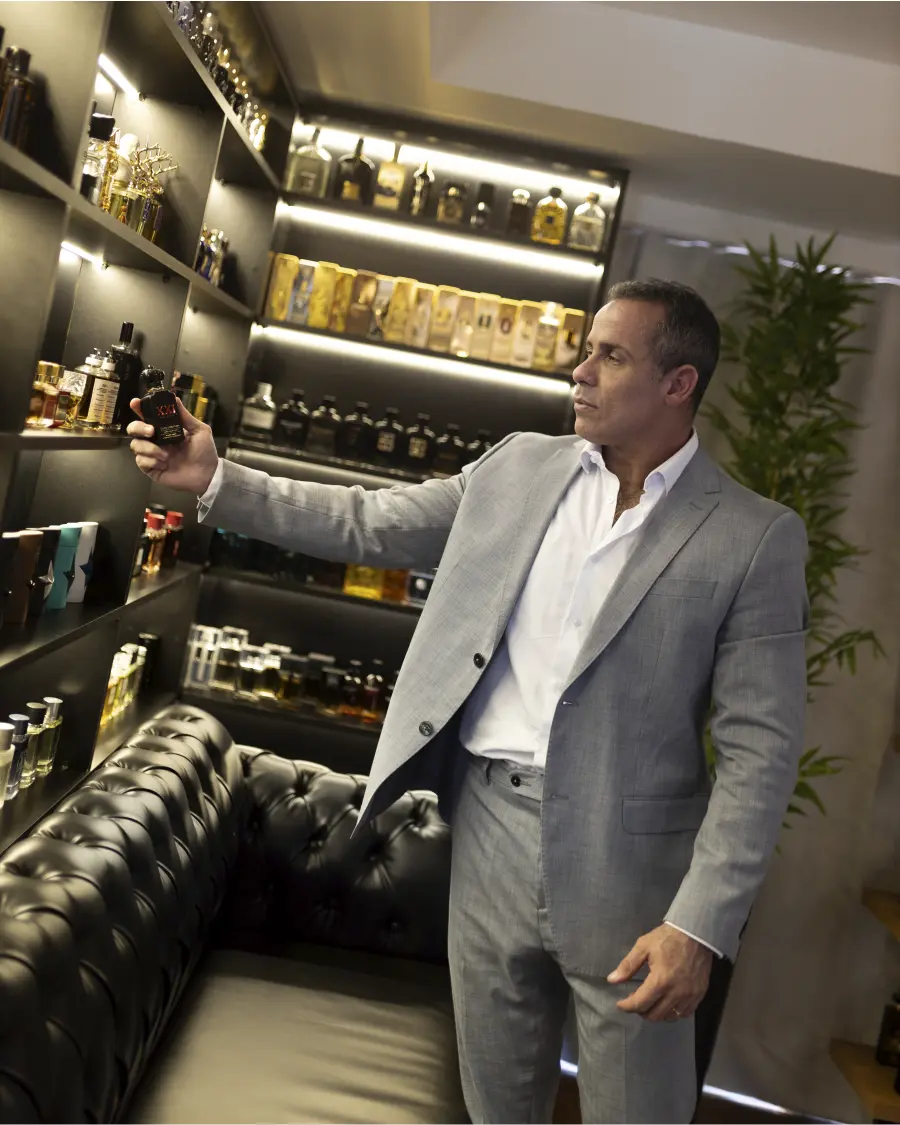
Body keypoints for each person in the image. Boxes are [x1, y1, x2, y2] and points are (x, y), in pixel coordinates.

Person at [128, 279, 808, 1124]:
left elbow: (760, 753)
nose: (580, 371)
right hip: (488, 833)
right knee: (496, 1109)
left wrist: (698, 926)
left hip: (633, 880)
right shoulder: (519, 465)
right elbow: (370, 521)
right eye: (586, 350)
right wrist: (216, 478)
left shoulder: (752, 536)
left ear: (679, 384)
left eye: (611, 356)